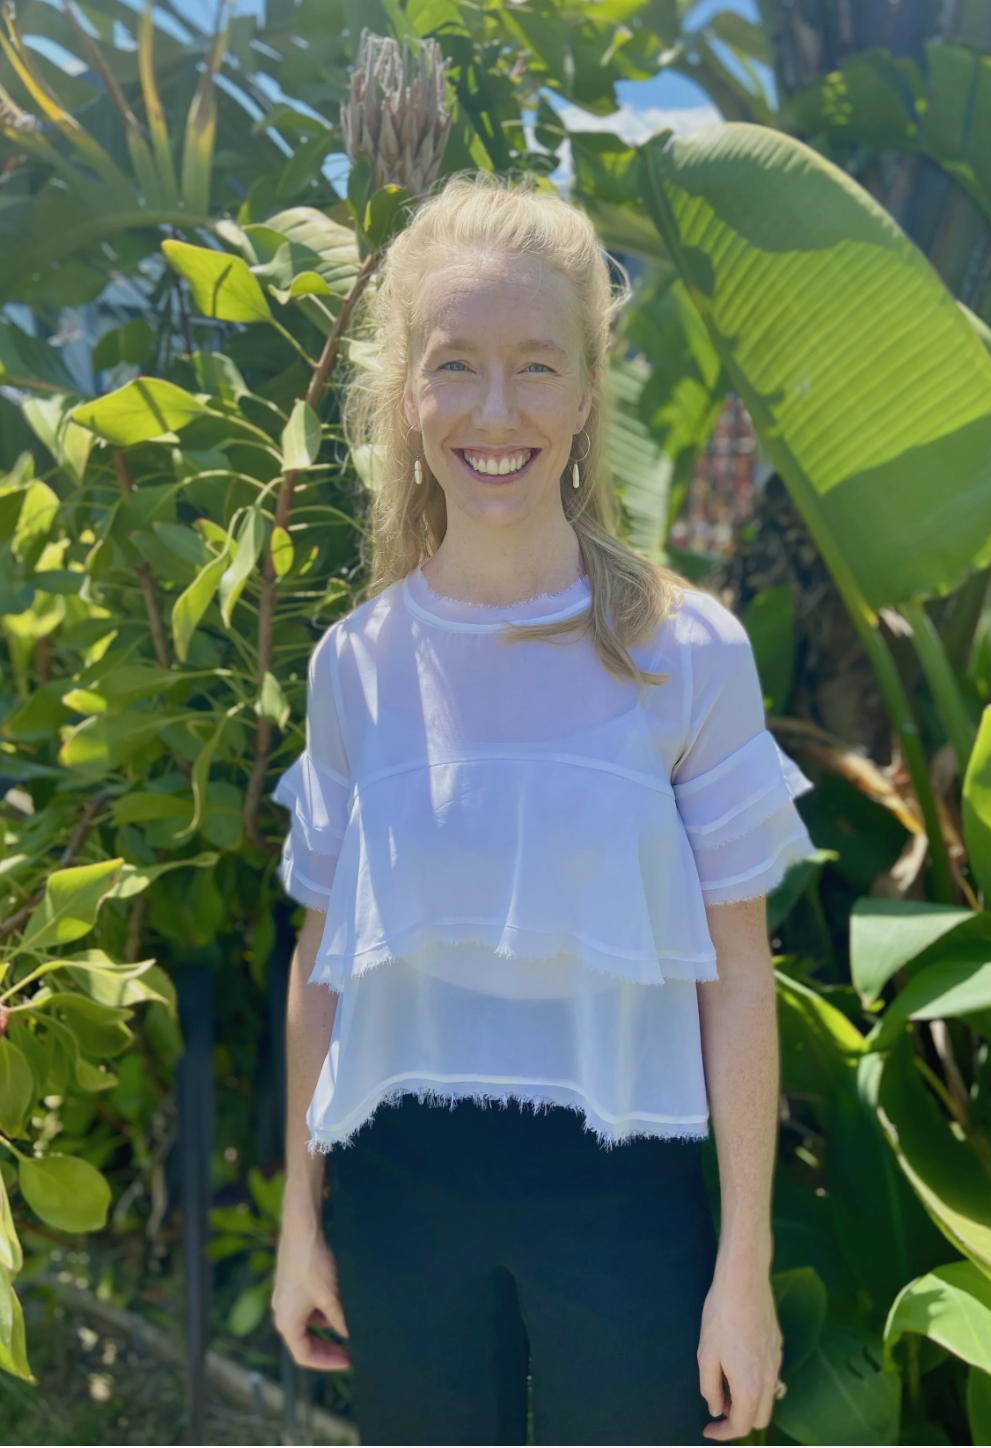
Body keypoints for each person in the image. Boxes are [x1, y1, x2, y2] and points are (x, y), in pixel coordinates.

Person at [270, 172, 815, 1446]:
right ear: (408, 392)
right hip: (397, 1196)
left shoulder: (687, 651)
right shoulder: (352, 663)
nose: (494, 411)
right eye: (455, 365)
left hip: (625, 1204)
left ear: (583, 391)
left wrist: (742, 1267)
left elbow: (738, 971)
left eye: (534, 365)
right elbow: (318, 963)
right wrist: (302, 1217)